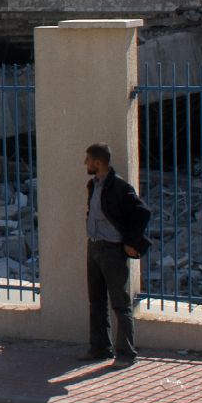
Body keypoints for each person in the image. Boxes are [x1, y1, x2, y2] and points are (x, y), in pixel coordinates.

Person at [82, 142, 151, 368]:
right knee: (96, 300)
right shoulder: (93, 185)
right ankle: (100, 347)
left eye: (89, 160)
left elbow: (142, 212)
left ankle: (126, 354)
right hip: (94, 246)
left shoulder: (119, 187)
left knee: (120, 303)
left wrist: (130, 242)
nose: (86, 164)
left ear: (99, 163)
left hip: (112, 249)